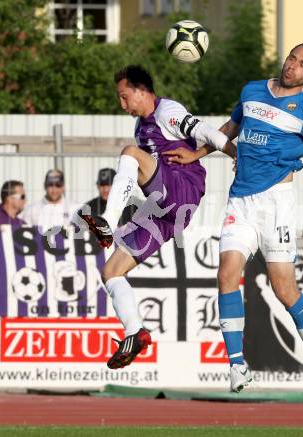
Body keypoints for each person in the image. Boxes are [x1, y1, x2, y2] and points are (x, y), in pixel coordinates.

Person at [163, 43, 303, 407]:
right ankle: (237, 365)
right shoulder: (251, 91)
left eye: (302, 65)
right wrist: (196, 152)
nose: (293, 66)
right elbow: (229, 129)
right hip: (240, 200)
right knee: (226, 274)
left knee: (284, 291)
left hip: (277, 205)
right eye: (291, 58)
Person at [78, 65, 236, 370]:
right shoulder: (141, 126)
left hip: (183, 190)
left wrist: (236, 154)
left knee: (131, 153)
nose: (122, 104)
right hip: (164, 211)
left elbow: (204, 131)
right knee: (111, 271)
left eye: (125, 97)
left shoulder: (168, 112)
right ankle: (135, 332)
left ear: (141, 90)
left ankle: (108, 222)